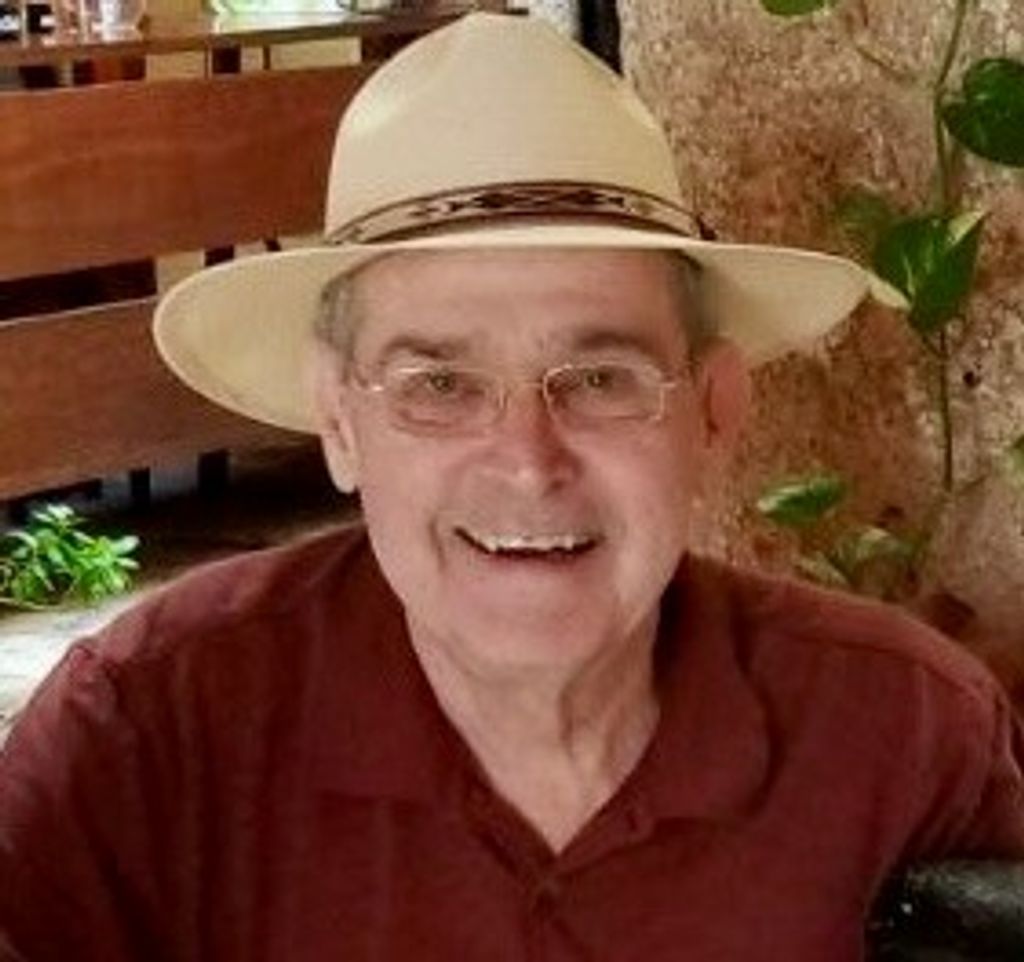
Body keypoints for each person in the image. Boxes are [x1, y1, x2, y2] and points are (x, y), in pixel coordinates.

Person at [2, 13, 1022, 962]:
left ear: (712, 408)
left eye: (601, 379)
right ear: (340, 423)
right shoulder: (147, 739)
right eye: (440, 385)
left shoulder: (905, 740)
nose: (529, 461)